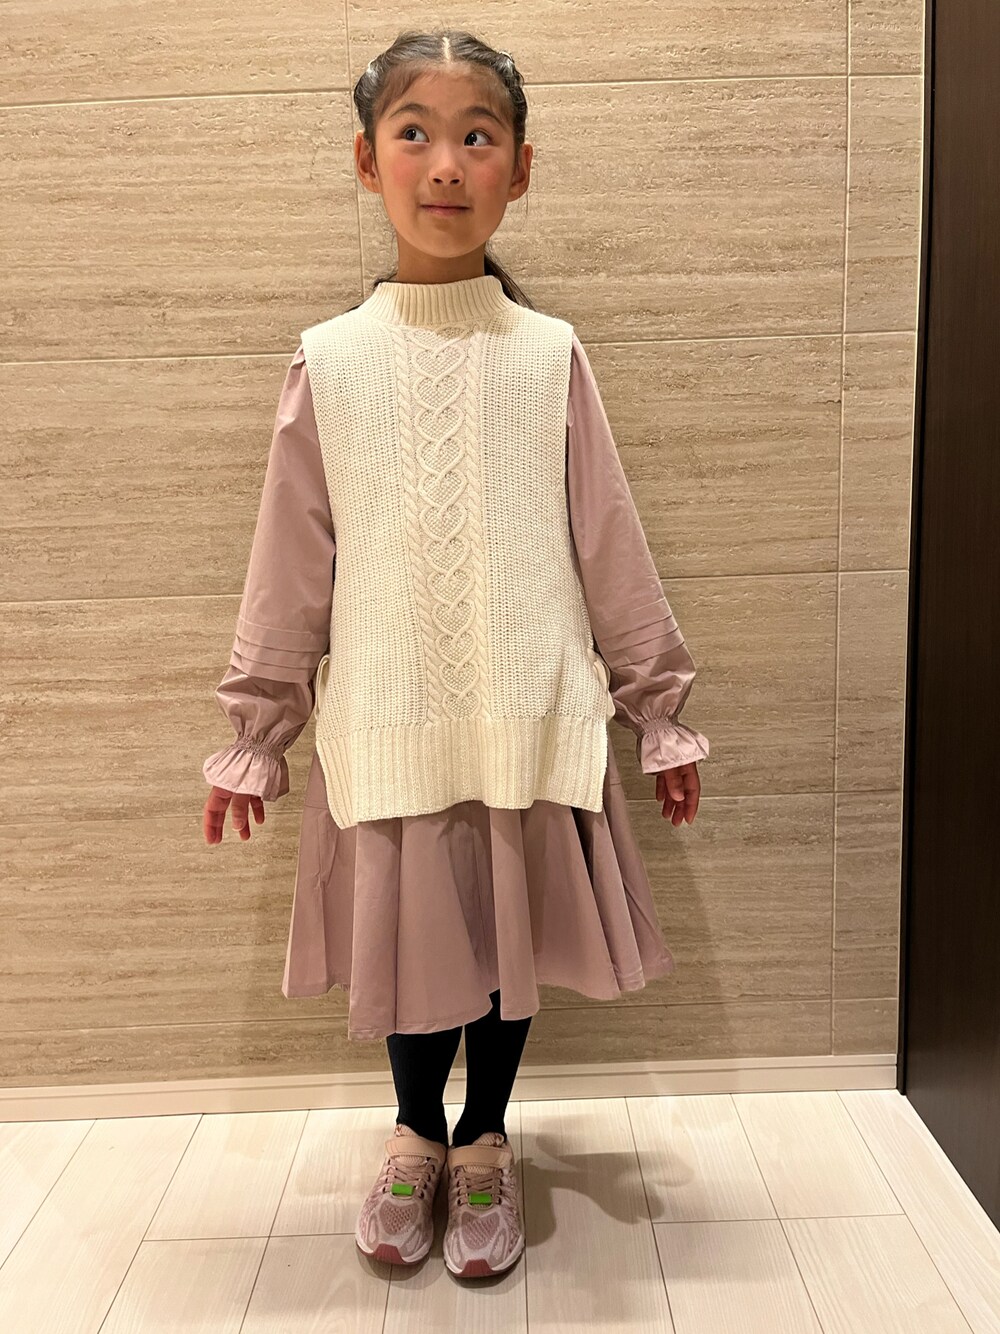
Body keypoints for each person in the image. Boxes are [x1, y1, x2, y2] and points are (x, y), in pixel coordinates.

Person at [200, 29, 709, 1281]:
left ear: (519, 168)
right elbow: (290, 561)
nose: (444, 164)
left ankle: (486, 1135)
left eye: (477, 136)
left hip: (530, 706)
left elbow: (607, 539)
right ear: (364, 161)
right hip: (389, 713)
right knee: (418, 945)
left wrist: (657, 708)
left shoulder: (550, 355)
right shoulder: (330, 361)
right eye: (413, 133)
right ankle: (415, 1131)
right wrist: (258, 729)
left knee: (506, 944)